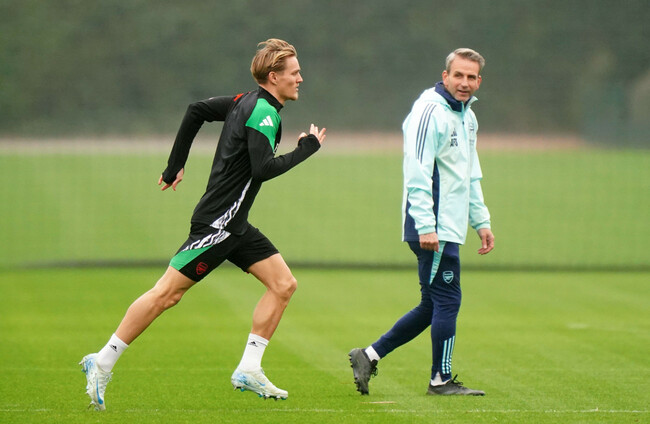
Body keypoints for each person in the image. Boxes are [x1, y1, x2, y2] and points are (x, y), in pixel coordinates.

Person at [80, 38, 326, 410]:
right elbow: (262, 169)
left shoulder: (244, 100)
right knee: (166, 294)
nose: (300, 79)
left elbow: (196, 110)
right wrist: (306, 149)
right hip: (218, 225)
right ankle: (102, 361)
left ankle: (249, 368)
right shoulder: (263, 112)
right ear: (274, 77)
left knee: (283, 284)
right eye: (295, 73)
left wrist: (175, 164)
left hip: (234, 224)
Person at [348, 48, 494, 396]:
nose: (464, 82)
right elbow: (417, 170)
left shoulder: (467, 117)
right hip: (433, 227)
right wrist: (426, 224)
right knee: (448, 300)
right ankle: (440, 380)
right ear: (445, 76)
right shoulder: (430, 111)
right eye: (458, 75)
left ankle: (368, 356)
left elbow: (469, 175)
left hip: (448, 226)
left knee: (433, 304)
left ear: (479, 81)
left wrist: (481, 221)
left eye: (471, 77)